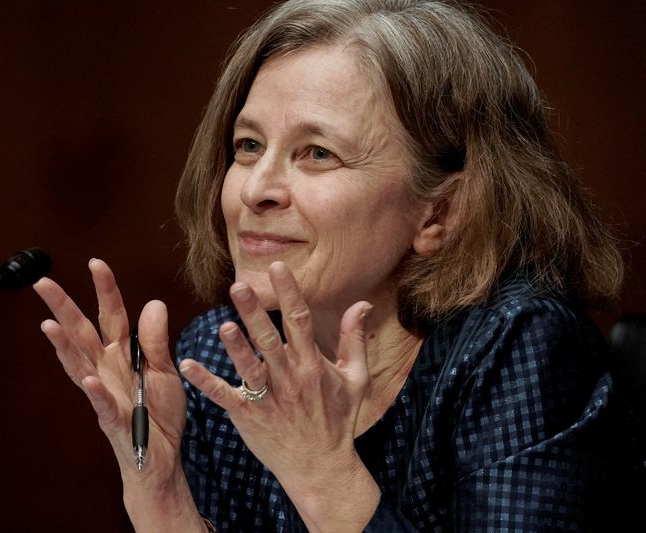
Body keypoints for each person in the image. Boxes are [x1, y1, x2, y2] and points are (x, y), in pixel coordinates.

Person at [34, 0, 624, 530]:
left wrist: (323, 474)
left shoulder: (517, 349)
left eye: (317, 153)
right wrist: (162, 504)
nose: (256, 189)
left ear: (439, 213)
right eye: (247, 146)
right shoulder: (221, 358)